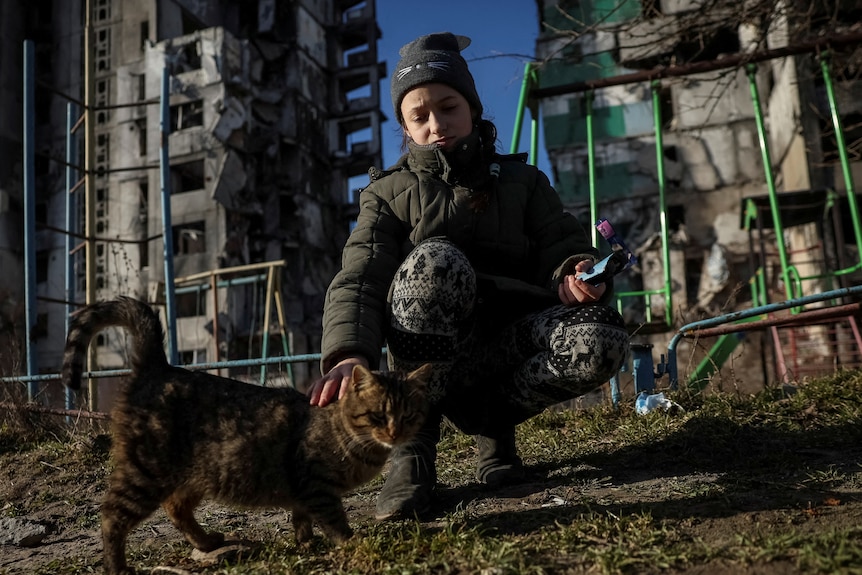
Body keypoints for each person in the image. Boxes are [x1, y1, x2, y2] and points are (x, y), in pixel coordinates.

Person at [307, 32, 629, 521]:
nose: (436, 124)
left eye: (448, 106)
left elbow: (562, 246)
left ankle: (494, 431)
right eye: (419, 116)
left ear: (473, 108)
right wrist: (350, 352)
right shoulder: (387, 195)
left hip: (508, 346)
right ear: (406, 127)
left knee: (602, 337)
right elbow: (360, 276)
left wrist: (576, 273)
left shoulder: (524, 182)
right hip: (426, 366)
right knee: (435, 259)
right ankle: (411, 458)